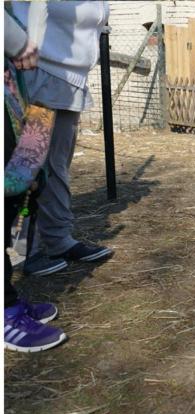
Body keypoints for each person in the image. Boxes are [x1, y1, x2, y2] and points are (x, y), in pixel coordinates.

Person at [10, 1, 112, 276]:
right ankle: (23, 252)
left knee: (56, 165)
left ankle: (57, 240)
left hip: (70, 80)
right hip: (37, 74)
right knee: (28, 165)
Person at [4, 6, 66, 352]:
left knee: (18, 185)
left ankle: (7, 296)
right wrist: (17, 41)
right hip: (15, 59)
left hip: (10, 79)